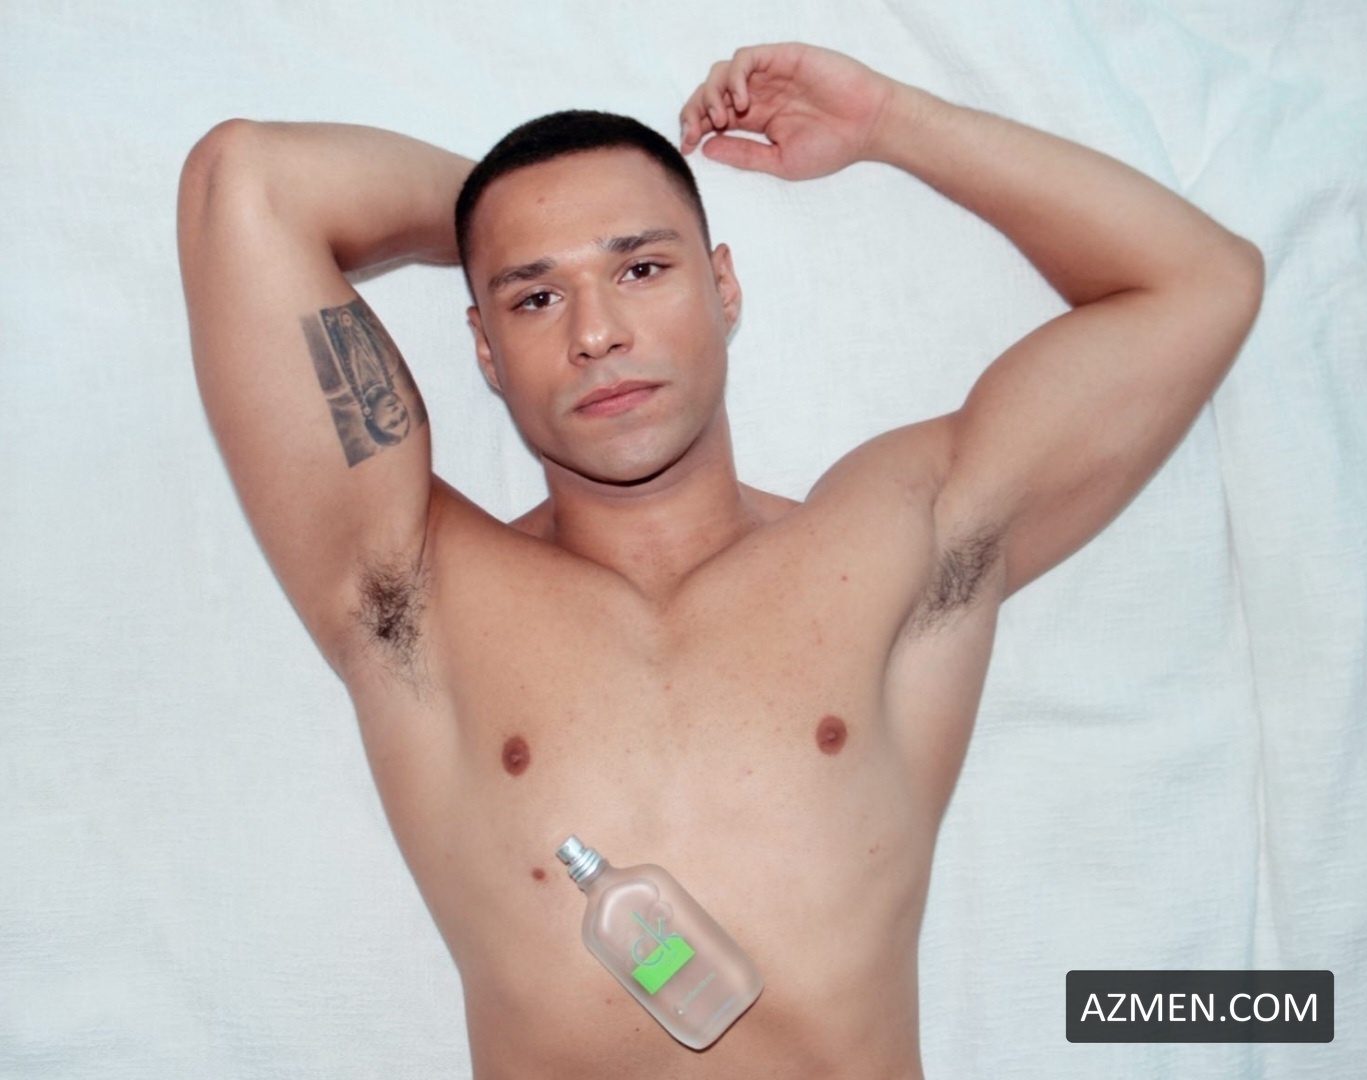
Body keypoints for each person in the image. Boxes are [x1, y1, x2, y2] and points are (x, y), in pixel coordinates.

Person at [177, 42, 1261, 1079]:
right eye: (536, 297)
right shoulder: (416, 593)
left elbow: (1201, 283)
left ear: (723, 289)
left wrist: (893, 122)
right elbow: (249, 183)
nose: (596, 332)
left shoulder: (890, 542)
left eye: (642, 267)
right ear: (484, 352)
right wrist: (494, 207)